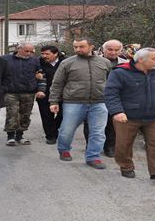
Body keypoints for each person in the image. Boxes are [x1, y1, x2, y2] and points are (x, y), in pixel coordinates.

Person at [105, 48, 155, 181]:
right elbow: (111, 94)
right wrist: (117, 112)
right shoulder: (120, 73)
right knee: (124, 145)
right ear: (141, 60)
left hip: (154, 116)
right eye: (154, 59)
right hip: (127, 117)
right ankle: (126, 167)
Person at [48, 37, 112, 169]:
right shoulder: (67, 63)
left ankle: (93, 157)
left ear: (91, 46)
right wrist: (53, 101)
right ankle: (64, 149)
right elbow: (57, 83)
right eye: (75, 47)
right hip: (73, 102)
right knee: (67, 130)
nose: (78, 49)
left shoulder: (104, 62)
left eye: (81, 46)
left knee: (98, 132)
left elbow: (110, 83)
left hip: (99, 102)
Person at [83, 39, 129, 157]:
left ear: (121, 50)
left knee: (112, 124)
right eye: (110, 49)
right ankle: (91, 145)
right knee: (92, 124)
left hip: (116, 98)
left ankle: (110, 147)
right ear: (103, 50)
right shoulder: (92, 61)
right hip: (95, 97)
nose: (113, 52)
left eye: (116, 50)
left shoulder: (126, 63)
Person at [1, 43, 44, 146]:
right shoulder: (6, 59)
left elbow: (42, 75)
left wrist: (40, 89)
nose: (28, 53)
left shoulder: (35, 60)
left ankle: (20, 135)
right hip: (11, 91)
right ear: (18, 49)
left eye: (31, 51)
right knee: (12, 113)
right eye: (26, 51)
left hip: (28, 92)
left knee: (25, 114)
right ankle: (10, 136)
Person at [36, 45, 63, 145]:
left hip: (62, 93)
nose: (44, 56)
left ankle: (54, 129)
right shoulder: (38, 63)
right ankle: (50, 136)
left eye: (47, 54)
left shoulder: (64, 62)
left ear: (55, 54)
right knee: (46, 115)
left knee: (63, 114)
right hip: (44, 93)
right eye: (42, 53)